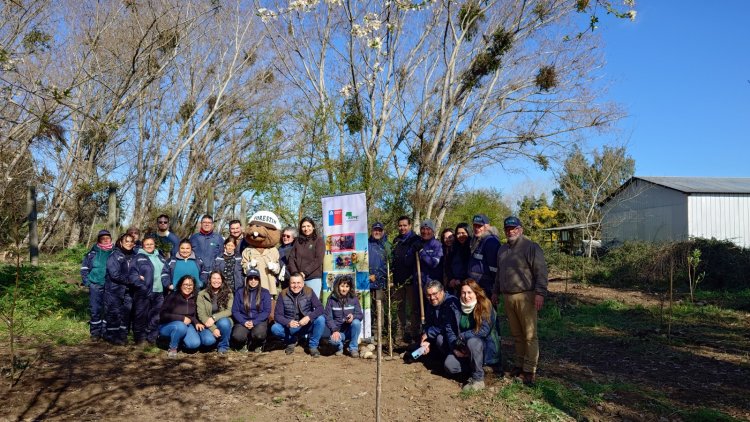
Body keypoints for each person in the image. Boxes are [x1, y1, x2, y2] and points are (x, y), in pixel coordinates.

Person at [493, 216, 548, 386]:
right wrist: (495, 291)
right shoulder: (502, 249)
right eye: (508, 229)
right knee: (517, 335)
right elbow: (498, 273)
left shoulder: (531, 247)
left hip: (526, 295)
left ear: (520, 229)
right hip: (508, 296)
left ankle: (529, 371)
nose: (511, 231)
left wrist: (540, 293)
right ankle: (519, 365)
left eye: (514, 228)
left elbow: (541, 271)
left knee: (530, 335)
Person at [444, 279, 500, 392]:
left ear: (476, 293)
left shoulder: (485, 305)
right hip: (463, 347)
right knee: (449, 365)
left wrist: (463, 336)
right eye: (463, 293)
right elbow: (449, 330)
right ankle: (473, 368)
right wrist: (455, 347)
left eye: (469, 292)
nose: (466, 296)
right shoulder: (455, 307)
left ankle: (478, 379)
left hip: (483, 347)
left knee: (473, 341)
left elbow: (484, 330)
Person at [272, 272, 326, 357]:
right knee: (275, 328)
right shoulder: (283, 294)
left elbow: (320, 308)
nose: (296, 286)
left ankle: (313, 346)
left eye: (298, 283)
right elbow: (277, 315)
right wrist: (288, 322)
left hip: (306, 325)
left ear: (303, 283)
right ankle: (292, 340)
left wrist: (309, 317)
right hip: (291, 327)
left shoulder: (309, 291)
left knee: (321, 319)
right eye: (293, 283)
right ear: (289, 283)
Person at [129, 235, 169, 345]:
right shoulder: (138, 257)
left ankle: (152, 337)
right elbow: (132, 275)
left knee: (156, 315)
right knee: (141, 315)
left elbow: (166, 270)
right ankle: (140, 338)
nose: (149, 246)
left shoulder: (160, 257)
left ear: (155, 245)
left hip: (159, 291)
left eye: (151, 244)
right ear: (143, 246)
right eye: (147, 244)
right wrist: (140, 284)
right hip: (144, 291)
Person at [413, 280, 459, 363]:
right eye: (428, 295)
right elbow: (428, 323)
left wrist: (429, 333)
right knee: (415, 354)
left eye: (434, 294)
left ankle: (447, 359)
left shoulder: (451, 303)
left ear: (442, 291)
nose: (432, 298)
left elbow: (447, 327)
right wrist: (426, 339)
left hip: (451, 339)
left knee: (439, 339)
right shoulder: (431, 304)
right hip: (433, 335)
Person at [103, 233, 138, 345]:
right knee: (114, 312)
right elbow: (114, 274)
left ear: (134, 244)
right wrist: (131, 280)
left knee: (126, 313)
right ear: (121, 242)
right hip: (114, 289)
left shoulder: (135, 256)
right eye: (126, 241)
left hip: (129, 291)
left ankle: (122, 335)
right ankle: (111, 336)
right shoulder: (114, 255)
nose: (129, 243)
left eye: (131, 241)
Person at [159, 275, 205, 358]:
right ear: (180, 285)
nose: (188, 287)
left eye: (190, 285)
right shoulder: (172, 296)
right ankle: (172, 348)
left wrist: (196, 322)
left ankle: (178, 341)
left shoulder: (194, 298)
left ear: (194, 286)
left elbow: (192, 316)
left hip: (186, 325)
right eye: (185, 284)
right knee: (180, 326)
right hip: (168, 326)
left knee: (194, 344)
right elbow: (162, 315)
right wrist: (182, 318)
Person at [81, 229, 114, 340]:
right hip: (95, 284)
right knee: (95, 309)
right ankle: (95, 332)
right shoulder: (92, 252)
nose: (105, 240)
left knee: (108, 309)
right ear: (99, 240)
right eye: (102, 238)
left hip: (110, 285)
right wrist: (88, 282)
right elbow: (84, 268)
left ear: (110, 239)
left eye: (107, 238)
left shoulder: (115, 252)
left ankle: (105, 332)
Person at [391, 215, 419, 342]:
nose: (402, 228)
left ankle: (414, 333)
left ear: (410, 225)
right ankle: (401, 333)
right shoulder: (396, 240)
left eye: (405, 225)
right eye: (400, 225)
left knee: (414, 308)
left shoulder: (416, 240)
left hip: (412, 280)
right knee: (399, 308)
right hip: (398, 281)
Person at [231, 269, 272, 352]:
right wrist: (243, 322)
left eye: (256, 278)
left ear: (259, 280)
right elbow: (235, 310)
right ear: (247, 280)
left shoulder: (265, 292)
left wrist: (255, 322)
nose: (253, 281)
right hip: (243, 320)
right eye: (251, 278)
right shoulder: (240, 292)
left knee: (259, 335)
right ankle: (243, 343)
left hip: (259, 320)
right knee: (237, 336)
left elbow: (266, 311)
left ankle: (258, 344)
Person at [324, 275, 363, 357]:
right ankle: (340, 347)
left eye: (347, 286)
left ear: (350, 287)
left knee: (356, 323)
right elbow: (328, 317)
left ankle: (353, 348)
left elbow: (360, 315)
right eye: (342, 286)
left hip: (349, 330)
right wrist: (334, 330)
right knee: (333, 341)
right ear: (337, 286)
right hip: (337, 331)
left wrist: (353, 316)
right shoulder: (331, 299)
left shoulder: (354, 298)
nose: (344, 289)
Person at [197, 271, 234, 354]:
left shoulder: (229, 293)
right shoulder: (202, 294)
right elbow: (201, 315)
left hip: (222, 321)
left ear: (222, 280)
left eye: (218, 278)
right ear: (210, 280)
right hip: (207, 323)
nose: (216, 281)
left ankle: (223, 346)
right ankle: (213, 342)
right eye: (214, 278)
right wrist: (213, 328)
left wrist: (214, 318)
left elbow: (229, 310)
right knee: (208, 341)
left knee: (224, 322)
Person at [287, 217, 324, 298]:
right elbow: (291, 257)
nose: (306, 229)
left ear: (313, 227)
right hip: (297, 279)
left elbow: (318, 259)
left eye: (308, 226)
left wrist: (304, 273)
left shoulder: (319, 240)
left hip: (312, 278)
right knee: (298, 304)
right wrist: (295, 273)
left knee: (312, 304)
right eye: (303, 226)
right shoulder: (297, 241)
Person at [468, 214, 501, 298]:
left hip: (486, 288)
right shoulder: (476, 240)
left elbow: (494, 268)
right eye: (475, 225)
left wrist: (494, 290)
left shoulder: (491, 241)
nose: (476, 228)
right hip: (476, 285)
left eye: (479, 226)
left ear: (487, 226)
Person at [368, 222, 391, 336]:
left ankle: (378, 333)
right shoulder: (366, 244)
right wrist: (367, 275)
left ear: (383, 232)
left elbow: (389, 265)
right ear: (371, 231)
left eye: (379, 230)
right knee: (368, 307)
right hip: (366, 282)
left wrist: (376, 275)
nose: (377, 232)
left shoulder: (387, 245)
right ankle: (368, 332)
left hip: (380, 282)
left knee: (379, 307)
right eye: (375, 230)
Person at [446, 223, 472, 294]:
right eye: (458, 233)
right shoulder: (453, 247)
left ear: (468, 233)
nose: (460, 236)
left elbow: (469, 266)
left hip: (467, 283)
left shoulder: (472, 247)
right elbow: (448, 265)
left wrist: (461, 279)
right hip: (453, 283)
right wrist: (451, 278)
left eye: (463, 233)